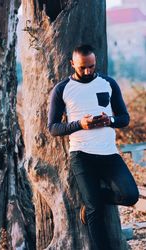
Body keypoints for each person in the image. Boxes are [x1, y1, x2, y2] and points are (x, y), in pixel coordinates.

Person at [47, 44, 139, 250]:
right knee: (94, 211)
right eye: (83, 68)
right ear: (72, 64)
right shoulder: (62, 89)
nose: (88, 71)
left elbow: (124, 118)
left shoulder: (108, 83)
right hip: (81, 155)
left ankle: (94, 198)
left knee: (130, 195)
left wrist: (110, 120)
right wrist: (80, 124)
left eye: (92, 66)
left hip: (108, 153)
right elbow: (53, 128)